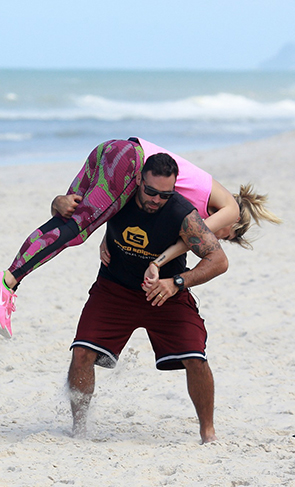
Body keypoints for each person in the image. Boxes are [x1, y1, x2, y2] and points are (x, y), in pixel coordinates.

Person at [0, 137, 281, 339]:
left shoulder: (199, 192)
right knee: (76, 230)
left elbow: (128, 205)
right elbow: (192, 240)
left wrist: (106, 235)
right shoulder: (229, 208)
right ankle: (7, 280)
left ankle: (9, 280)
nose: (221, 237)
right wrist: (161, 260)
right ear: (235, 227)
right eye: (227, 237)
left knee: (67, 213)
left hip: (113, 150)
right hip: (130, 161)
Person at [67, 153, 227, 443]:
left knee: (196, 359)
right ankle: (79, 429)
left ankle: (208, 432)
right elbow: (73, 207)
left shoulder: (181, 213)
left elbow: (218, 260)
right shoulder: (117, 198)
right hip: (114, 289)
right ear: (138, 181)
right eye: (150, 191)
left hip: (165, 294)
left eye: (164, 194)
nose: (155, 199)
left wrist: (176, 282)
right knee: (82, 352)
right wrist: (59, 203)